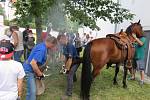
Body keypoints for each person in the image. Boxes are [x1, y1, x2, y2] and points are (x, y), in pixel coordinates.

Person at [0, 35, 25, 100]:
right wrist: (19, 96)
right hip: (12, 96)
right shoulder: (18, 65)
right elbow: (20, 83)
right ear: (12, 53)